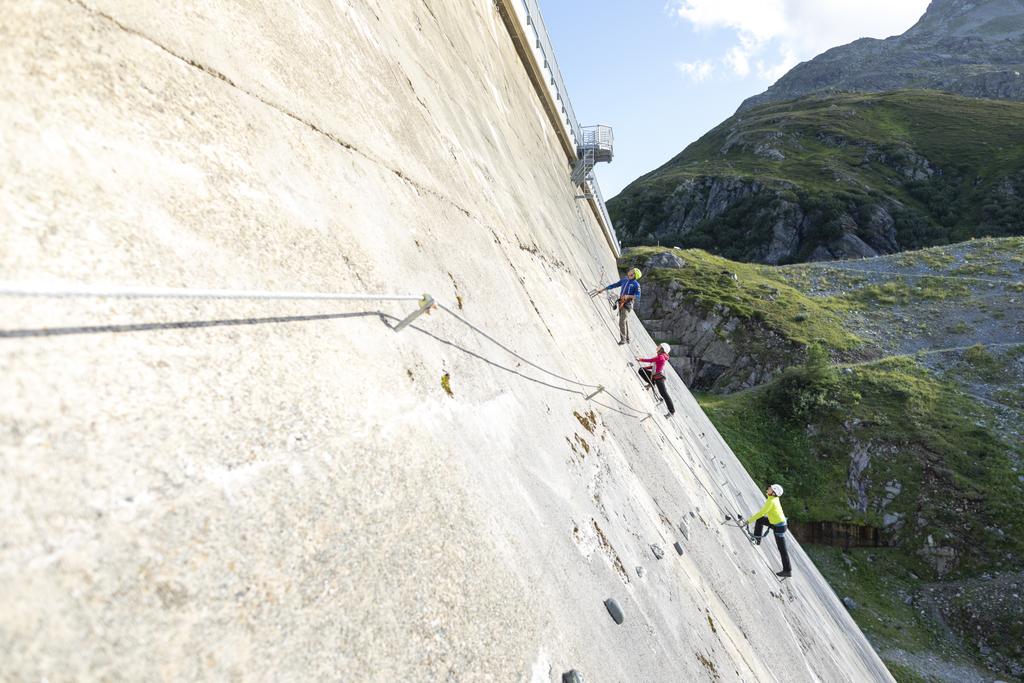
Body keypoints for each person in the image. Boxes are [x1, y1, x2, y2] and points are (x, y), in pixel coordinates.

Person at [747, 484, 792, 578]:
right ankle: (756, 539)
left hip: (779, 527)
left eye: (770, 489)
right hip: (777, 523)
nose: (768, 489)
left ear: (774, 492)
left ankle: (787, 570)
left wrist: (748, 521)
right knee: (760, 520)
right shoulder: (773, 499)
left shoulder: (771, 501)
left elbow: (761, 513)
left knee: (782, 549)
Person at [601, 268, 642, 345]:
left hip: (627, 304)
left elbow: (638, 295)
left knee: (622, 321)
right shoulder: (625, 279)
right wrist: (605, 288)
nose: (629, 271)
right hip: (621, 302)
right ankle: (627, 338)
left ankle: (623, 339)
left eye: (632, 271)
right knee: (624, 321)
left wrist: (628, 296)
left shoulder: (636, 284)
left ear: (634, 275)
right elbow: (616, 284)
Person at [637, 343, 675, 416]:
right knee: (641, 370)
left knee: (664, 394)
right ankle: (651, 384)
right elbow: (653, 366)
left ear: (662, 349)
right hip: (655, 377)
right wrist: (645, 368)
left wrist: (640, 359)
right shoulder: (660, 356)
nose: (658, 347)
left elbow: (651, 360)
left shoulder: (661, 357)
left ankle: (672, 411)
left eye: (660, 347)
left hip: (659, 378)